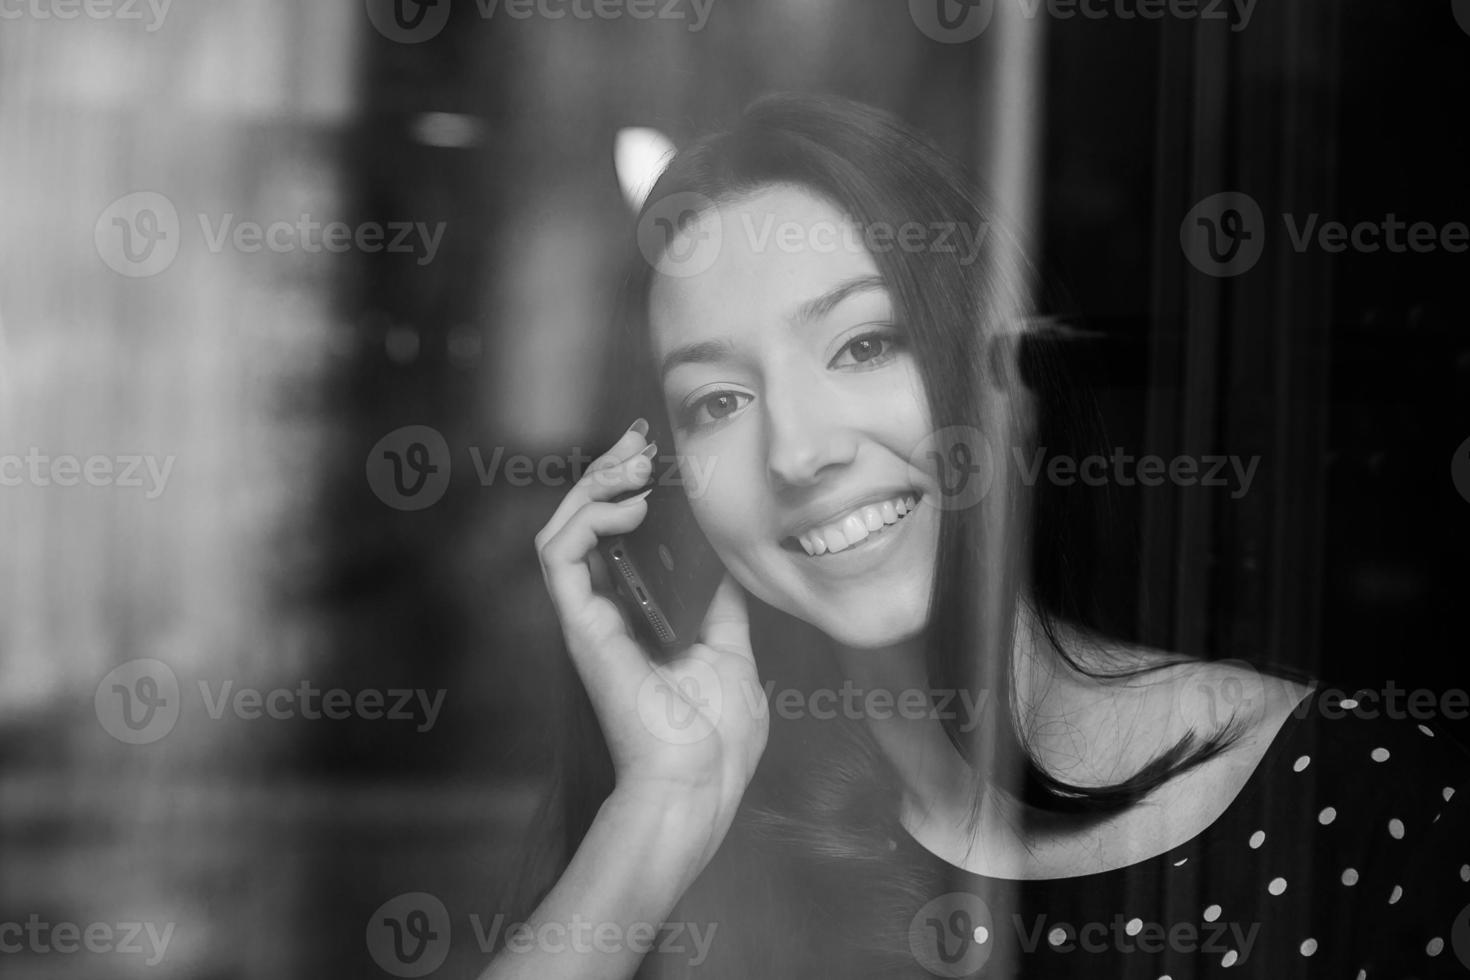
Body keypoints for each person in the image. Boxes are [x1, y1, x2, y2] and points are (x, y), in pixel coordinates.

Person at [489, 93, 1470, 979]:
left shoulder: (1367, 803)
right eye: (717, 401)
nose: (798, 449)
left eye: (865, 344)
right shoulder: (697, 839)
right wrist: (663, 805)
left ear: (1011, 382)